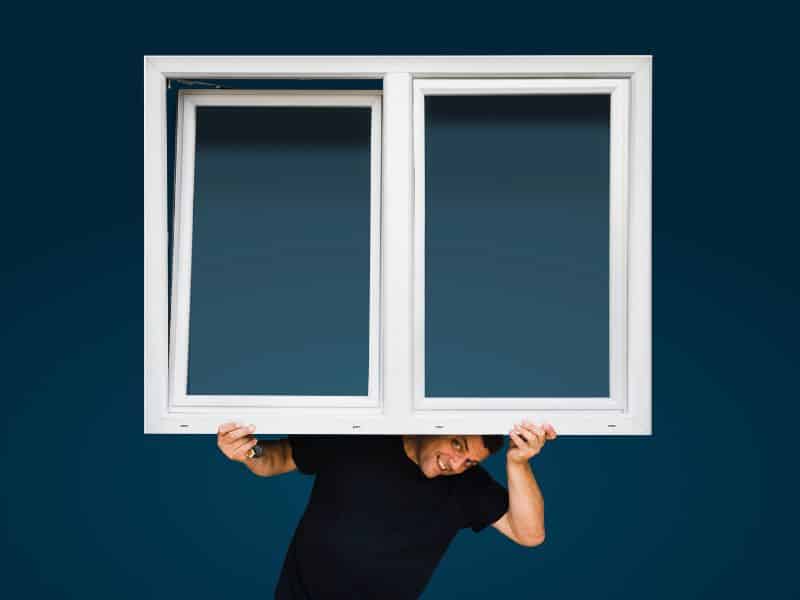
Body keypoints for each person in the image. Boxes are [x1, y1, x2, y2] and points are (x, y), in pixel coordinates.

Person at [216, 421, 556, 599]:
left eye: (468, 461)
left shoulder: (467, 486)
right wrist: (248, 451)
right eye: (457, 445)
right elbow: (276, 459)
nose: (456, 463)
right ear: (435, 425)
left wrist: (518, 462)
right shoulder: (358, 437)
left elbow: (530, 534)